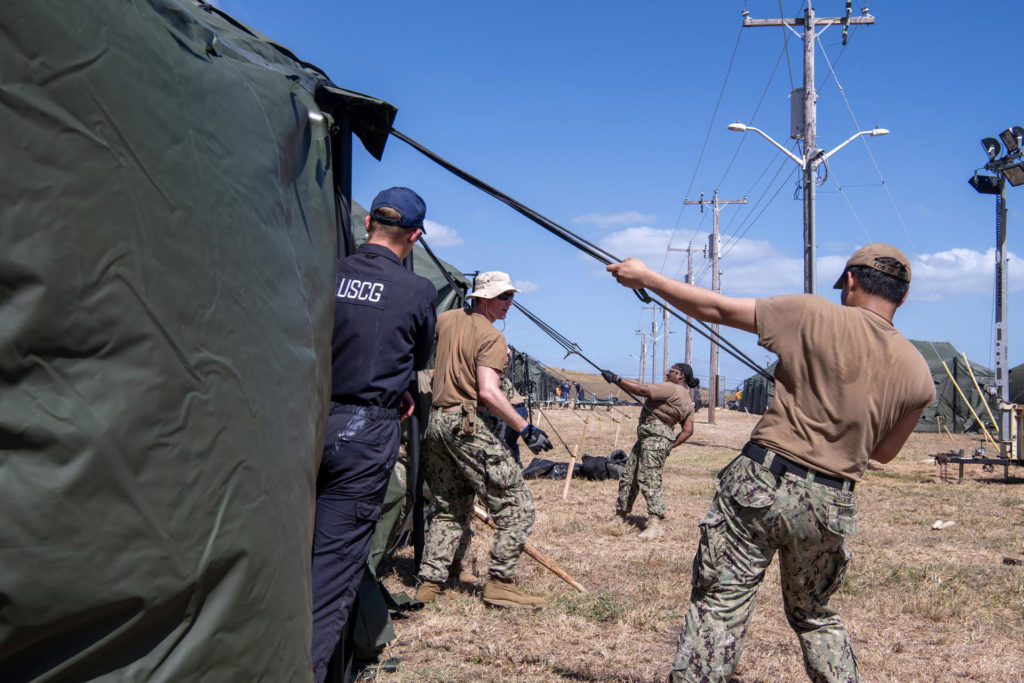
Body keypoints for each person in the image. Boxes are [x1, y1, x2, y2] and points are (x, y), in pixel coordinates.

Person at [607, 244, 935, 682]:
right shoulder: (919, 374)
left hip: (761, 481)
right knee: (814, 614)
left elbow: (714, 307)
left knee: (721, 605)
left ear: (851, 281)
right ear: (903, 296)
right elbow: (883, 454)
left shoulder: (812, 314)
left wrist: (646, 278)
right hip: (830, 505)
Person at [311, 187, 437, 683]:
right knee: (334, 571)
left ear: (368, 224)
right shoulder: (418, 291)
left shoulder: (328, 272)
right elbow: (415, 356)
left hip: (303, 421)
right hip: (366, 431)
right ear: (415, 236)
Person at [415, 271, 553, 609]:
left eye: (511, 297)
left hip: (435, 425)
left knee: (449, 506)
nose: (510, 304)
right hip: (467, 426)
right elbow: (488, 392)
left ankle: (430, 584)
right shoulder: (492, 337)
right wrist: (526, 430)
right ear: (484, 297)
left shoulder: (445, 320)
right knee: (518, 506)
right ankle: (501, 584)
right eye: (504, 297)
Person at [599, 362, 699, 539]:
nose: (667, 374)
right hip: (651, 437)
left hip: (654, 436)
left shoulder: (672, 388)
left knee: (649, 478)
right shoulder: (688, 402)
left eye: (671, 371)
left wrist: (616, 379)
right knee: (629, 475)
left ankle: (655, 523)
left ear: (680, 376)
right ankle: (620, 516)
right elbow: (688, 431)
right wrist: (670, 445)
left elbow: (642, 391)